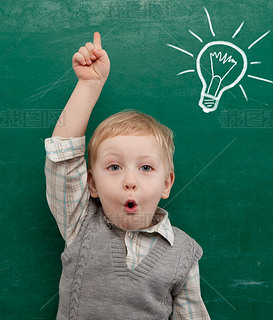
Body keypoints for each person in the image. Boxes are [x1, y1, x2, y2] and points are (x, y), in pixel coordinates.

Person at [44, 32, 210, 319]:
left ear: (167, 183)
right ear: (92, 184)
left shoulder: (184, 253)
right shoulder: (79, 223)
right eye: (114, 167)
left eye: (145, 168)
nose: (129, 181)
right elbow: (63, 155)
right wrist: (89, 85)